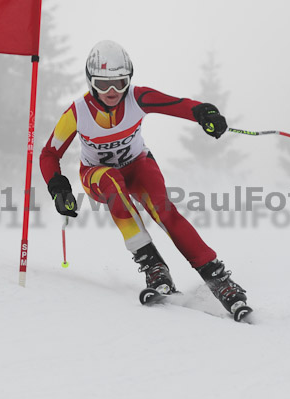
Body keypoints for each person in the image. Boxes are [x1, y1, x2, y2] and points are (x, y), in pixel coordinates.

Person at [40, 40, 248, 314]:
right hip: (97, 176)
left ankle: (219, 278)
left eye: (120, 82)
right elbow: (49, 154)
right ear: (91, 82)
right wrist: (59, 188)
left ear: (129, 79)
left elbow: (179, 105)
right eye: (103, 85)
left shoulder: (137, 97)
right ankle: (153, 266)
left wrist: (204, 113)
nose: (113, 92)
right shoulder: (78, 112)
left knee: (164, 211)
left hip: (138, 166)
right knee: (111, 180)